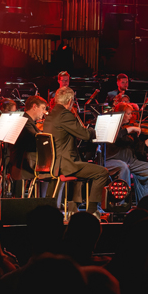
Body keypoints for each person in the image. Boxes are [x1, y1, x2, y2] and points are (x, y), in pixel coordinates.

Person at [43, 86, 109, 215]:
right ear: (70, 101)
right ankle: (92, 211)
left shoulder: (51, 115)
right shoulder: (65, 115)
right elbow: (85, 135)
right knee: (102, 172)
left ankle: (74, 208)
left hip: (53, 162)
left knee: (81, 161)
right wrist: (92, 130)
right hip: (64, 165)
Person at [105, 102, 148, 201]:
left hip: (130, 161)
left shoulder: (129, 129)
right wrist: (130, 129)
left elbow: (140, 147)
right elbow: (116, 137)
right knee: (123, 167)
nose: (131, 116)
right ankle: (123, 203)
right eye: (128, 113)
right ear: (121, 114)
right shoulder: (112, 127)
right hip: (112, 160)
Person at [7, 95, 47, 192]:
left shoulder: (28, 120)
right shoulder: (24, 121)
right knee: (53, 166)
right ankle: (46, 199)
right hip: (22, 164)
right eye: (43, 108)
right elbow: (36, 139)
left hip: (23, 161)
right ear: (34, 107)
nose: (44, 112)